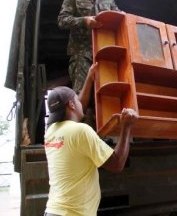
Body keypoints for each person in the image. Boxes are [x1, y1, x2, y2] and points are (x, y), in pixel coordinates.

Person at [43, 85, 138, 216]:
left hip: (53, 210)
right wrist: (127, 125)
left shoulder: (50, 133)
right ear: (71, 104)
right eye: (77, 99)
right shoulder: (80, 131)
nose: (81, 104)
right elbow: (117, 164)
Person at [58, 0, 121, 94]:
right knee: (81, 93)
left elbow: (119, 18)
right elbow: (62, 20)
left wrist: (122, 15)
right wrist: (84, 21)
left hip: (104, 54)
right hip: (81, 53)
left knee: (107, 94)